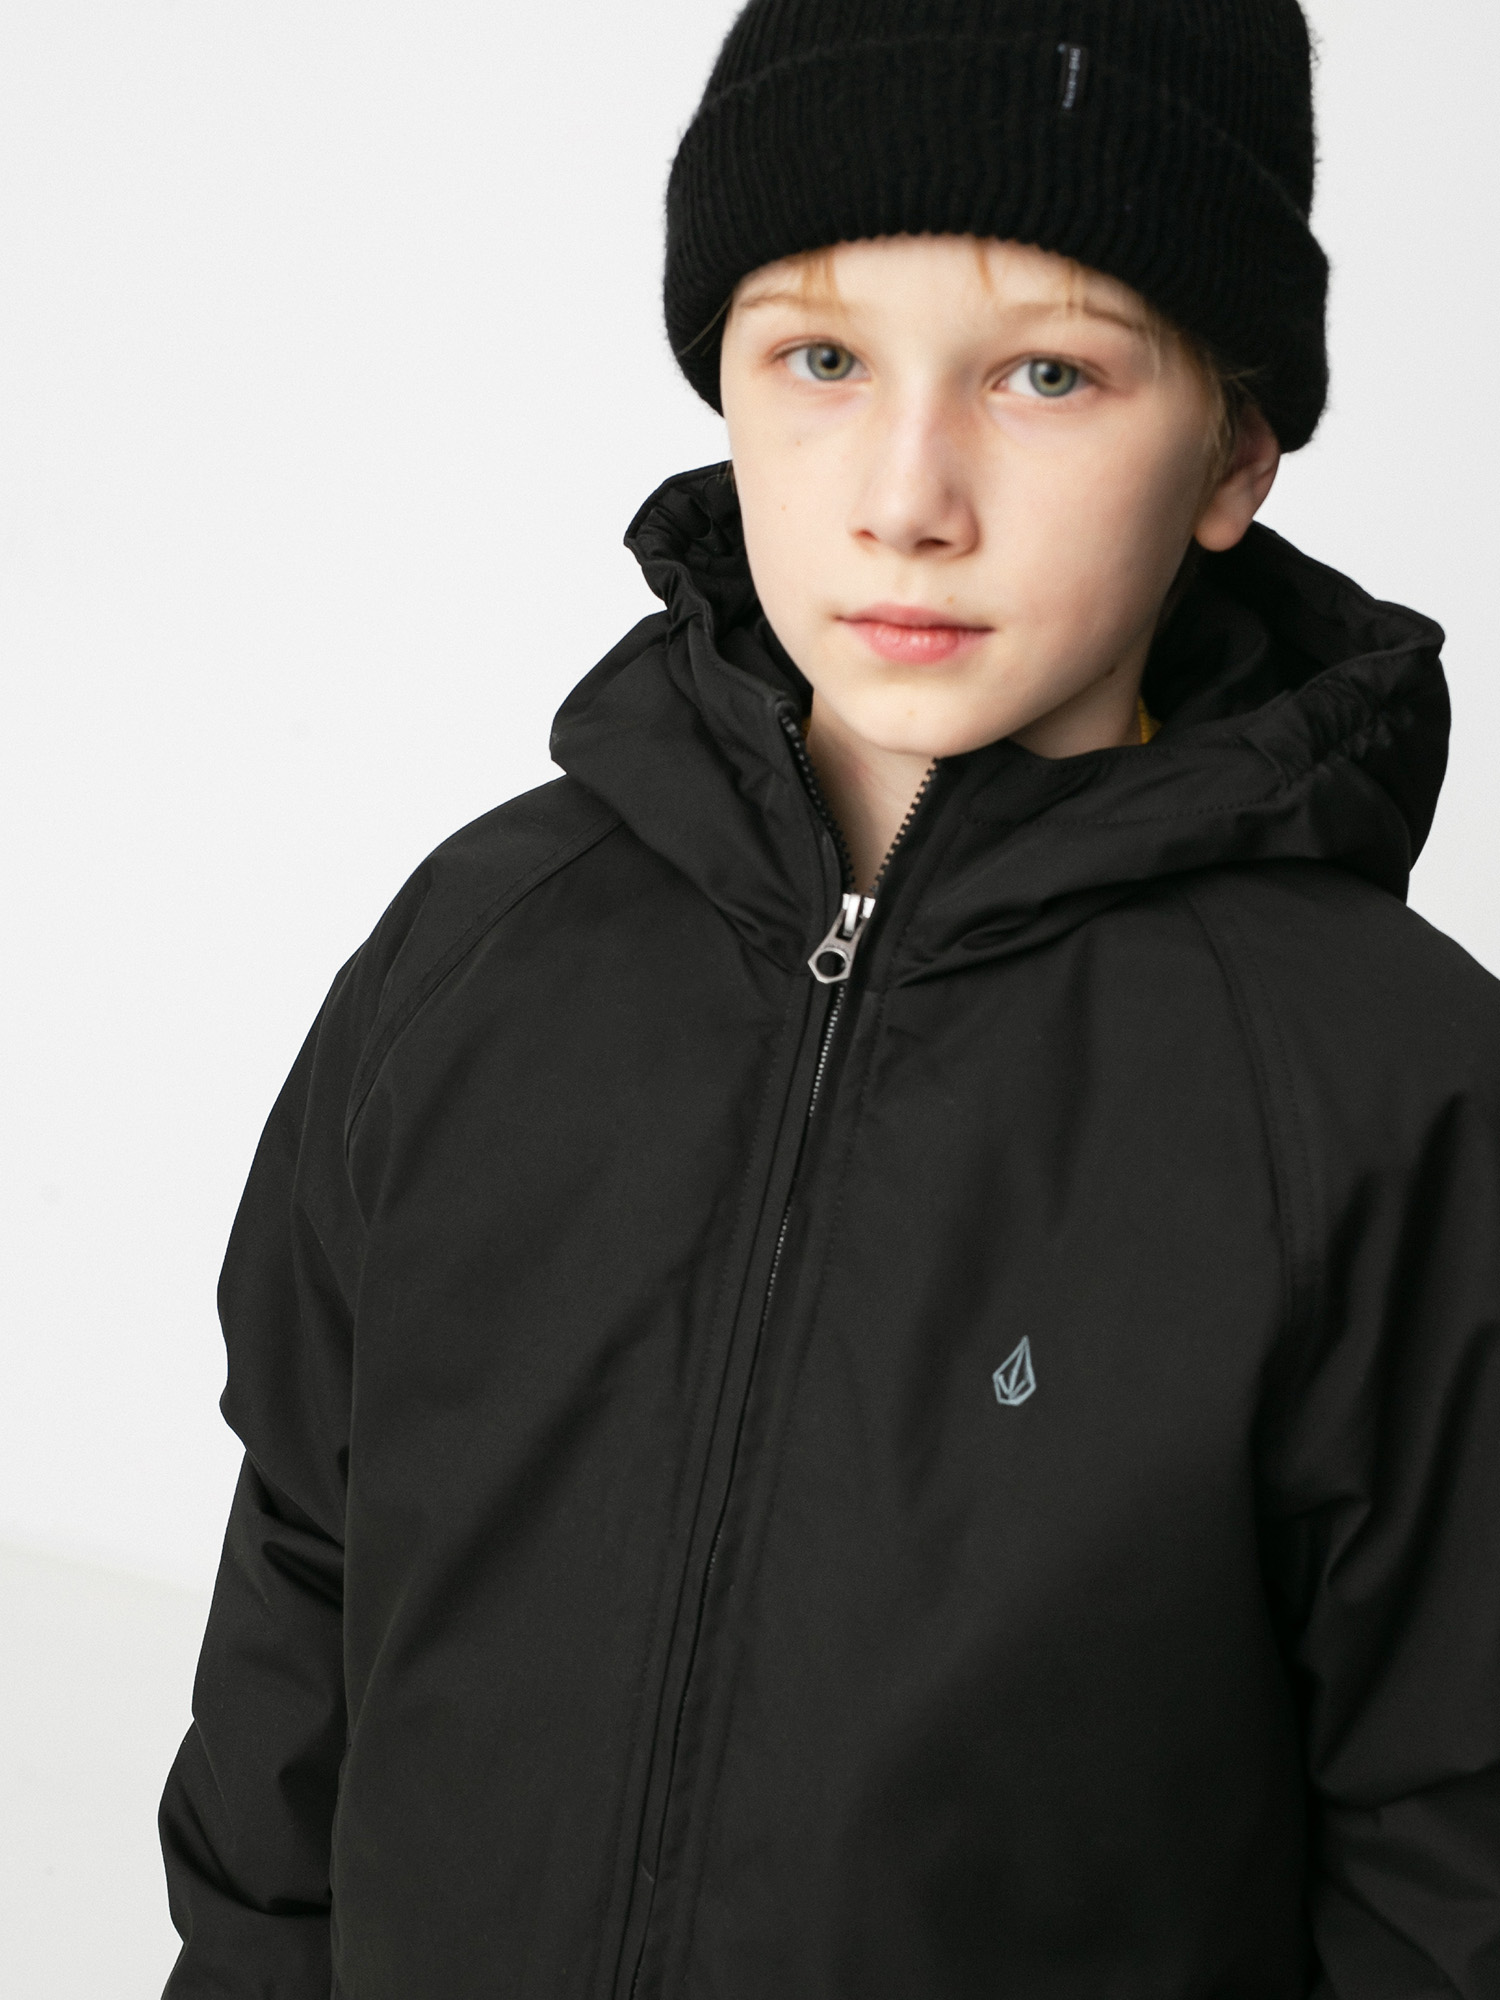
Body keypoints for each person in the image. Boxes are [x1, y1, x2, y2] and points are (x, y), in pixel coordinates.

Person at [159, 2, 1500, 1994]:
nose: (906, 494)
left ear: (1232, 450)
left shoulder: (1379, 1092)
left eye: (1047, 373)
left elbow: (1451, 1836)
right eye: (821, 359)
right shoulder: (480, 950)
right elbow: (302, 1580)